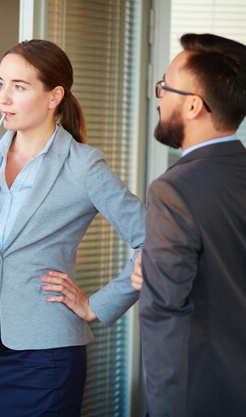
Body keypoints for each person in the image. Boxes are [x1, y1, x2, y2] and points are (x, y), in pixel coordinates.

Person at [0, 39, 146, 416]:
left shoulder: (83, 165)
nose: (5, 98)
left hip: (48, 355)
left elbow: (154, 243)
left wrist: (95, 305)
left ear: (54, 96)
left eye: (19, 87)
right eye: (1, 84)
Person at [134, 33, 246, 416]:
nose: (159, 96)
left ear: (195, 105)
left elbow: (164, 312)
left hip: (202, 395)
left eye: (165, 87)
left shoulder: (173, 190)